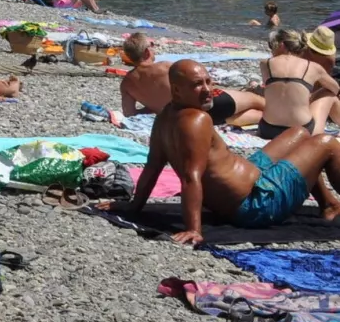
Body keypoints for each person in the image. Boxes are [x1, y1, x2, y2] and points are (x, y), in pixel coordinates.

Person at [126, 60, 340, 242]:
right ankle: (330, 203)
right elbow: (192, 176)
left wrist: (134, 207)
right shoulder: (197, 120)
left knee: (299, 134)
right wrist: (194, 229)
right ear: (176, 90)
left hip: (253, 179)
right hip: (256, 205)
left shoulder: (164, 116)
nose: (208, 90)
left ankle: (328, 203)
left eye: (208, 81)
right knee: (327, 143)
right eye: (197, 85)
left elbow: (153, 166)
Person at [120, 33, 263, 123]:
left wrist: (153, 107)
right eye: (152, 45)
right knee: (254, 99)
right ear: (146, 51)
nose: (154, 47)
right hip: (208, 106)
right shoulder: (166, 67)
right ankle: (280, 113)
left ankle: (276, 121)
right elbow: (198, 85)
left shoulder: (127, 83)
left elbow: (129, 113)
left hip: (187, 118)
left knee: (257, 117)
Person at [258, 28, 340, 140]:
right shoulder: (316, 67)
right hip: (302, 132)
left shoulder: (265, 64)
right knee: (329, 94)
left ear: (282, 45)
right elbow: (335, 89)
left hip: (267, 130)